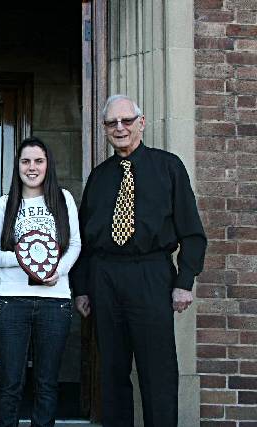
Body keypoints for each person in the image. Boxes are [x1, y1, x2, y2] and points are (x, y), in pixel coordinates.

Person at [70, 95, 207, 427]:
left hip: (151, 274)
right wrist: (83, 287)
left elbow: (192, 231)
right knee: (112, 371)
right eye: (112, 123)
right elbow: (86, 242)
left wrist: (184, 282)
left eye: (126, 121)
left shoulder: (168, 167)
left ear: (141, 123)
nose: (120, 128)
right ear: (104, 129)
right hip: (105, 277)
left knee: (157, 370)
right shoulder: (99, 177)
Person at [0, 137, 81, 427]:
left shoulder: (63, 200)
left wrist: (57, 271)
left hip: (56, 303)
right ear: (18, 166)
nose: (32, 167)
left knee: (47, 382)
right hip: (12, 303)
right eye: (25, 161)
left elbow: (75, 245)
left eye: (38, 161)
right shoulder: (4, 204)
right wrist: (22, 258)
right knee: (10, 381)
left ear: (48, 164)